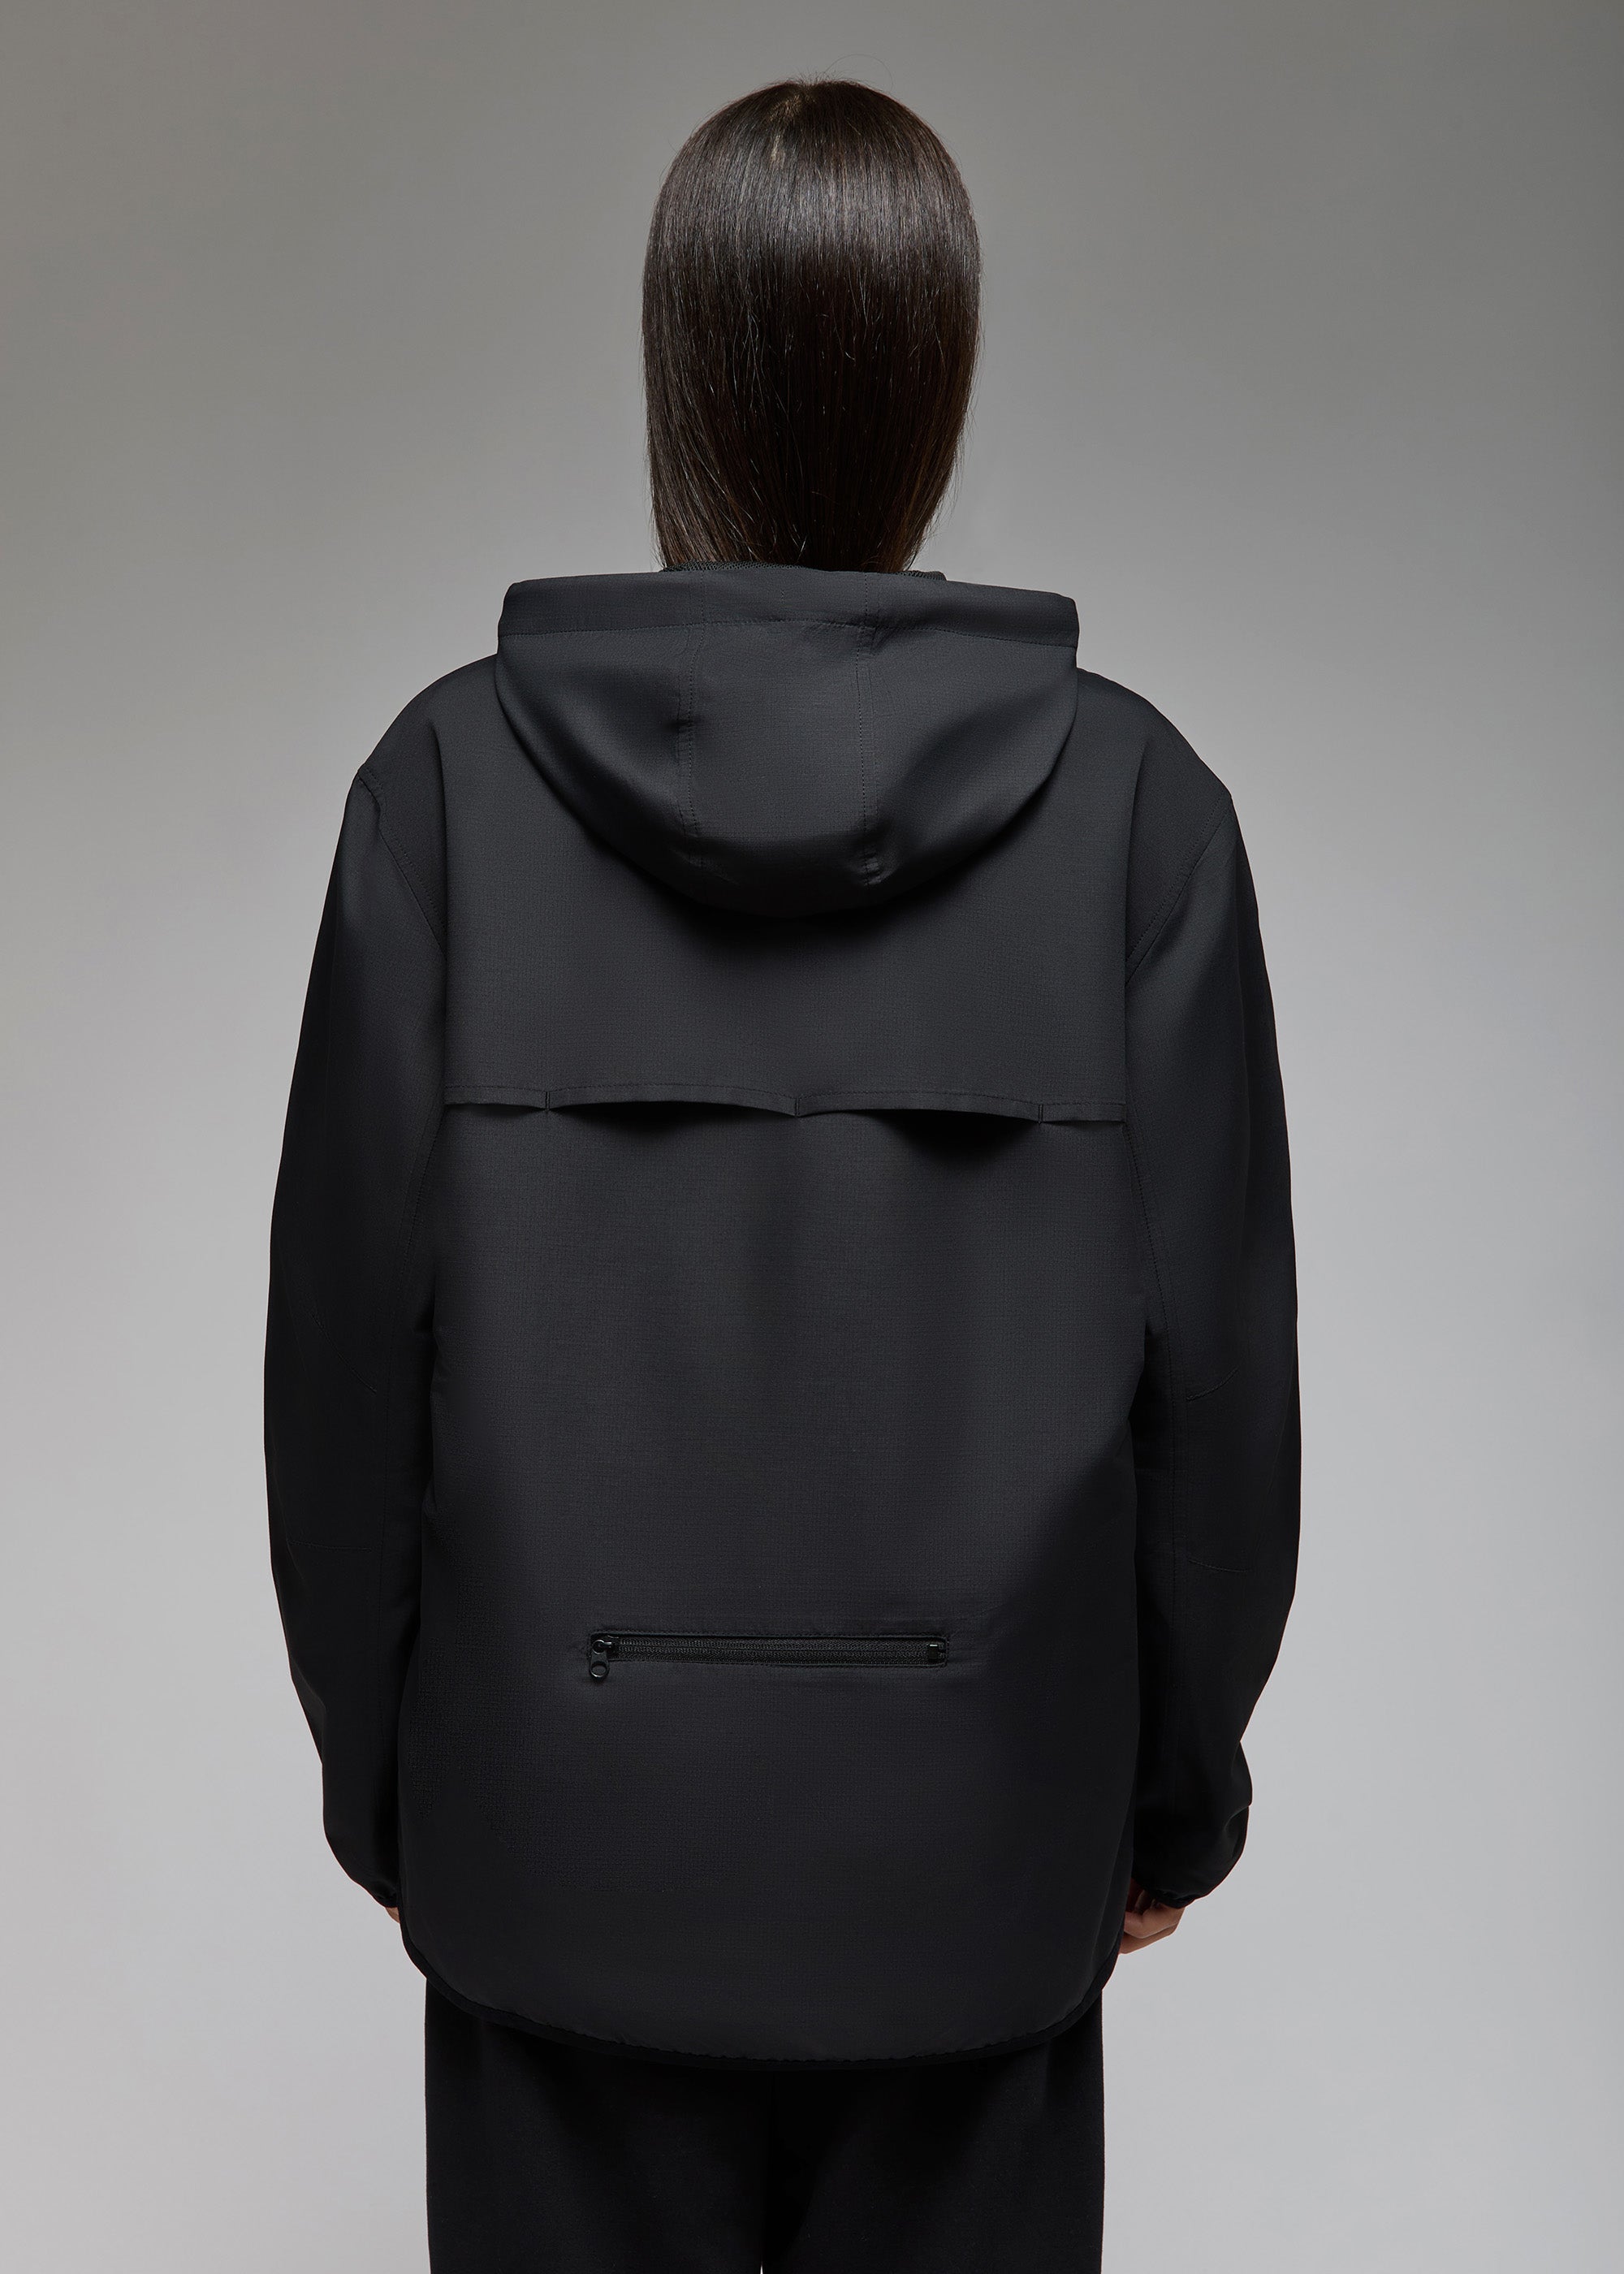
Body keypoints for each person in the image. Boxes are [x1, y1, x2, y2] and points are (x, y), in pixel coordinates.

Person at [266, 77, 1299, 2274]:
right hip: (975, 1877)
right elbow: (1220, 1392)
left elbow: (340, 1370)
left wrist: (392, 1790)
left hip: (555, 1859)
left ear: (679, 376)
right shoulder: (1138, 817)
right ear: (935, 383)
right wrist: (1170, 1810)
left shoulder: (447, 793)